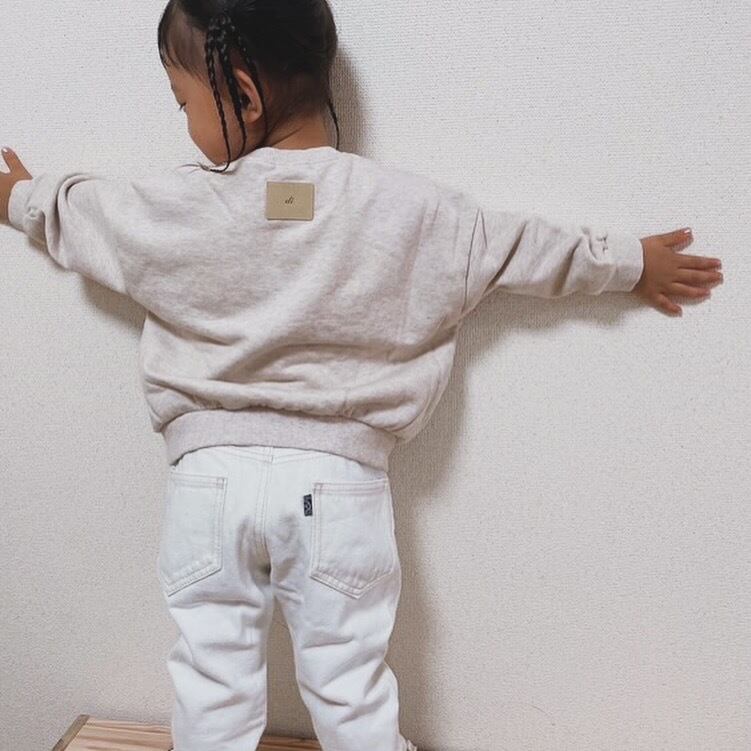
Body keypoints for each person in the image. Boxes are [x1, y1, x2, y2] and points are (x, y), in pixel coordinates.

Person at [0, 2, 725, 750]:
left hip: (207, 484)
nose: (184, 121)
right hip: (338, 488)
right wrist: (631, 262)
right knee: (349, 688)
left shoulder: (175, 205)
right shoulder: (411, 212)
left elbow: (85, 213)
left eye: (184, 103)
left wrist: (19, 197)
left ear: (243, 95)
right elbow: (522, 248)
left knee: (212, 683)